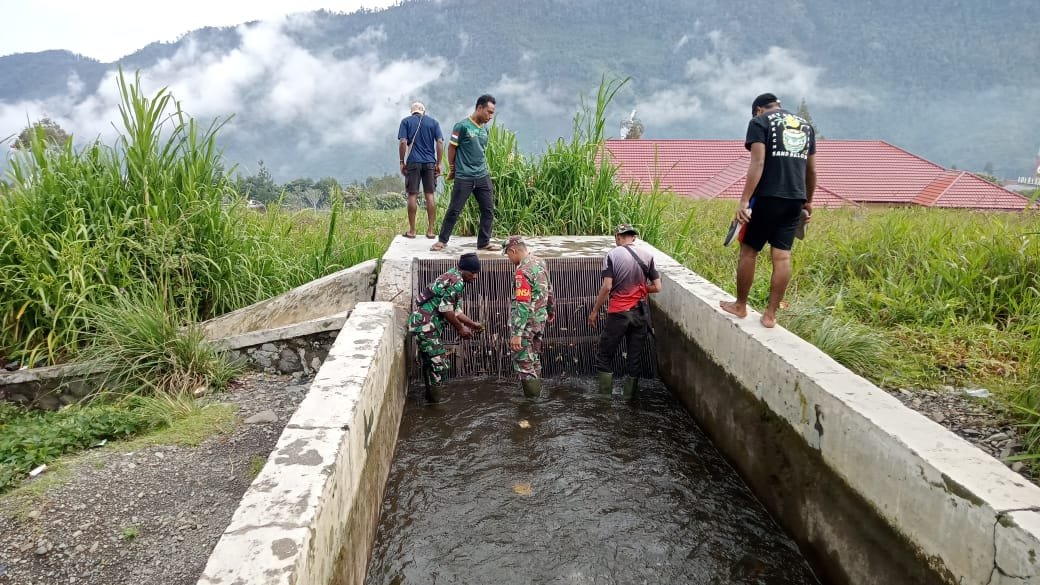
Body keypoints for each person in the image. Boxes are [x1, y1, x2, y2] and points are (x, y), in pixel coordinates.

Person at [720, 92, 816, 328]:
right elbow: (811, 170)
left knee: (749, 252)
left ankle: (740, 305)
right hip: (795, 198)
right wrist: (807, 201)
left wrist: (744, 201)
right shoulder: (805, 126)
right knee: (782, 256)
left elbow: (758, 162)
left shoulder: (759, 122)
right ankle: (770, 315)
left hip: (767, 196)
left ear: (759, 109)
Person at [587, 224, 662, 398]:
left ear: (617, 237)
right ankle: (629, 400)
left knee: (604, 355)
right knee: (634, 358)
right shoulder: (648, 256)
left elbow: (607, 286)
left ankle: (604, 400)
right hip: (640, 314)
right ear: (633, 237)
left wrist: (595, 311)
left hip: (619, 313)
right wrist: (640, 289)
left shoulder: (612, 255)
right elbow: (657, 287)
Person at [408, 253, 484, 402]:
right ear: (463, 270)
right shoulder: (456, 282)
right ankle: (437, 403)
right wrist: (460, 329)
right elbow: (446, 310)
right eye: (472, 273)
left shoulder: (453, 276)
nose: (475, 277)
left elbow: (456, 311)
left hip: (424, 324)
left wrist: (472, 324)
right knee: (440, 365)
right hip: (425, 325)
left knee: (430, 363)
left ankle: (430, 399)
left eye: (477, 273)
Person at [430, 94, 500, 252]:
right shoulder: (461, 126)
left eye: (492, 113)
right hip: (464, 177)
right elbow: (452, 147)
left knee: (488, 210)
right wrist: (453, 169)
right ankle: (442, 241)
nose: (490, 116)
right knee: (454, 210)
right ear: (479, 108)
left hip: (482, 175)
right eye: (489, 112)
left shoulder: (485, 129)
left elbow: (481, 151)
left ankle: (484, 242)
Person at [503, 236, 555, 397]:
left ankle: (532, 404)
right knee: (534, 359)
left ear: (513, 250)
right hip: (540, 320)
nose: (508, 258)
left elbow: (522, 304)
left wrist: (517, 334)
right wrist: (551, 309)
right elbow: (549, 288)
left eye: (507, 254)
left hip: (527, 325)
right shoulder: (540, 262)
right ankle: (538, 397)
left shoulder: (522, 271)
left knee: (524, 363)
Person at [398, 101, 444, 239]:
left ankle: (412, 231)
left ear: (412, 112)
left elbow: (403, 142)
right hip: (430, 163)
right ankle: (430, 231)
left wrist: (402, 161)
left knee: (412, 195)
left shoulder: (406, 122)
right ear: (424, 111)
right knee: (429, 194)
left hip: (413, 162)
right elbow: (440, 142)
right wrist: (439, 163)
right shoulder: (433, 122)